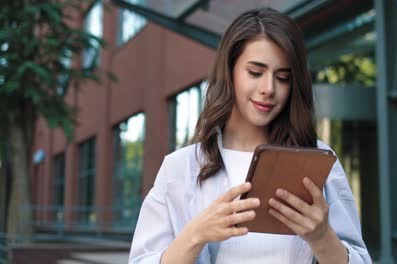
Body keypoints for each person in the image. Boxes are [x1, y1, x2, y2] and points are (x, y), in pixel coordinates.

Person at [129, 8, 372, 264]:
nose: (268, 89)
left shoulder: (318, 162)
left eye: (282, 78)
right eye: (255, 73)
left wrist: (322, 236)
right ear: (230, 72)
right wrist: (194, 236)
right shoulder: (180, 167)